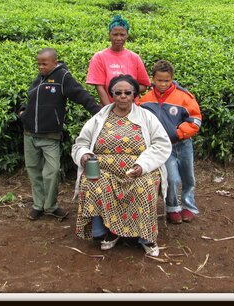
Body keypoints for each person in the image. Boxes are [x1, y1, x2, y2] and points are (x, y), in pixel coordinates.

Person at [71, 74, 172, 257]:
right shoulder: (99, 118)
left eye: (127, 92)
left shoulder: (146, 117)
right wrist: (84, 155)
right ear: (112, 95)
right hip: (105, 171)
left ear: (134, 95)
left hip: (138, 171)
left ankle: (146, 237)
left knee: (145, 186)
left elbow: (162, 144)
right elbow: (80, 143)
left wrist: (142, 165)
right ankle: (108, 232)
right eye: (118, 93)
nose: (123, 96)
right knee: (93, 182)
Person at [17, 48, 101, 222]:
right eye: (38, 63)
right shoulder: (38, 79)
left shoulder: (63, 78)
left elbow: (82, 96)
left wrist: (101, 114)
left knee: (52, 171)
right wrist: (23, 112)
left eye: (44, 63)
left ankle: (51, 206)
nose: (40, 67)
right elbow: (30, 98)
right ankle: (38, 206)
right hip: (29, 134)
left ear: (55, 62)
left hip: (50, 136)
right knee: (33, 170)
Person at [139, 60, 202, 224]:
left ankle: (189, 207)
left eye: (166, 80)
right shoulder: (145, 101)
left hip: (184, 145)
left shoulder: (184, 97)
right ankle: (173, 208)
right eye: (159, 80)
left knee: (189, 177)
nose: (163, 84)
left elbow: (195, 120)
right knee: (172, 179)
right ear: (153, 79)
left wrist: (179, 133)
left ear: (172, 78)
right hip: (163, 148)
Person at [86, 15, 151, 107]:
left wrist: (126, 92)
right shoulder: (99, 57)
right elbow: (99, 87)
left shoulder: (135, 58)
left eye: (122, 35)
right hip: (108, 107)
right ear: (109, 35)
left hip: (132, 109)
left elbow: (144, 85)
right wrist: (109, 110)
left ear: (127, 35)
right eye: (115, 34)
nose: (118, 38)